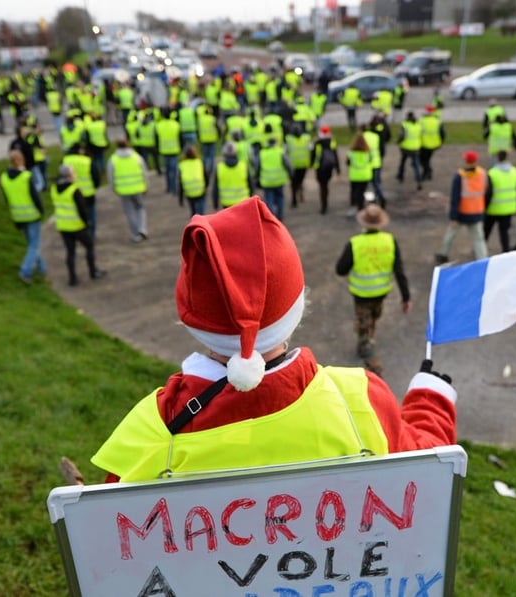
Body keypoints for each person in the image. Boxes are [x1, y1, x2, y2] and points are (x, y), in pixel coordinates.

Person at [90, 198, 457, 483]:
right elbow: (429, 468)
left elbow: (108, 535)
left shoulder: (151, 430)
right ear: (297, 306)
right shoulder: (360, 400)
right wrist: (431, 398)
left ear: (190, 317)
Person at [335, 200, 412, 376]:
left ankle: (374, 366)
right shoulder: (390, 241)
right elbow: (399, 271)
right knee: (371, 321)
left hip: (361, 294)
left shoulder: (355, 243)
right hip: (381, 293)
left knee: (364, 326)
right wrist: (406, 297)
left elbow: (340, 269)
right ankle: (364, 343)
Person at [52, 164, 106, 286]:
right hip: (77, 225)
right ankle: (93, 271)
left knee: (70, 252)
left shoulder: (54, 189)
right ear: (69, 176)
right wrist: (87, 223)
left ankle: (72, 278)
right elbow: (82, 209)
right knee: (89, 246)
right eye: (73, 173)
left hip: (63, 226)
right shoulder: (74, 190)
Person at [435, 151, 490, 264]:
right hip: (477, 212)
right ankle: (483, 260)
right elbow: (487, 192)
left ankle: (443, 255)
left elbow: (455, 199)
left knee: (450, 235)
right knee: (479, 239)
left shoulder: (459, 177)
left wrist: (453, 217)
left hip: (462, 213)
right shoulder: (483, 174)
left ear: (466, 161)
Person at [0, 150, 45, 283]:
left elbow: (6, 198)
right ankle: (25, 271)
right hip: (31, 215)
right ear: (21, 161)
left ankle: (42, 268)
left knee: (31, 244)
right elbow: (35, 196)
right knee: (34, 245)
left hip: (17, 216)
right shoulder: (26, 176)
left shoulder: (4, 177)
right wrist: (41, 210)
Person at [107, 138, 150, 243]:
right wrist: (146, 185)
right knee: (140, 208)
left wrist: (114, 188)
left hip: (123, 190)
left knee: (129, 212)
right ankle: (142, 229)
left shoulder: (113, 159)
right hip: (138, 188)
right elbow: (144, 172)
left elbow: (110, 176)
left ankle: (135, 233)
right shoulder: (136, 157)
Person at [484, 150, 516, 253]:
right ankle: (506, 251)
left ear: (497, 158)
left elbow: (488, 193)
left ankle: (480, 251)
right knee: (504, 233)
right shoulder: (515, 171)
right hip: (508, 208)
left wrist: (484, 207)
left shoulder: (492, 173)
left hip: (493, 208)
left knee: (486, 231)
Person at [62, 144, 101, 239]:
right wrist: (94, 186)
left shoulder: (65, 160)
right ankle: (91, 235)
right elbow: (96, 177)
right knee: (91, 216)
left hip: (72, 194)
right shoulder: (87, 160)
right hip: (88, 194)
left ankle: (81, 234)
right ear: (80, 150)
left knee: (77, 215)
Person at [257, 136, 292, 220]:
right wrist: (291, 173)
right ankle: (280, 217)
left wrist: (257, 177)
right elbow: (288, 164)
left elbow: (257, 167)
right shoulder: (280, 152)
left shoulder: (262, 153)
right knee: (280, 198)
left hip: (267, 181)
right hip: (279, 181)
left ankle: (271, 218)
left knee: (269, 200)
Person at [212, 141, 252, 210]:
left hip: (227, 204)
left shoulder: (219, 168)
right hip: (243, 202)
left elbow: (215, 189)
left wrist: (215, 204)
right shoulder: (243, 166)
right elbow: (251, 185)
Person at [313, 125, 340, 215]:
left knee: (322, 186)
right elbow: (335, 155)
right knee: (325, 185)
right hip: (329, 167)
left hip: (319, 168)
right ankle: (325, 200)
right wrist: (337, 168)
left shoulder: (317, 142)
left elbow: (313, 155)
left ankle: (323, 203)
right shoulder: (332, 142)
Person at [156, 107, 182, 197]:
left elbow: (156, 138)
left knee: (167, 170)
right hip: (174, 150)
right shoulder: (176, 124)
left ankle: (169, 187)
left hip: (164, 150)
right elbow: (180, 137)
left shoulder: (159, 125)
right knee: (174, 171)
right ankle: (174, 188)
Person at [285, 123, 312, 208]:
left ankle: (294, 199)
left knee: (293, 183)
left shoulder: (289, 140)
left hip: (293, 166)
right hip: (303, 165)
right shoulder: (306, 139)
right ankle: (300, 190)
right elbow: (311, 149)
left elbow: (285, 151)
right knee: (300, 180)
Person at [346, 131, 372, 215]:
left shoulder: (351, 153)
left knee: (354, 191)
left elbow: (348, 163)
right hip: (365, 175)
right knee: (362, 191)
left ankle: (354, 205)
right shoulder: (367, 153)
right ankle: (361, 206)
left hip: (354, 175)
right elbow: (370, 161)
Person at [178, 145, 208, 217]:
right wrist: (206, 186)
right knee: (201, 210)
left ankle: (194, 219)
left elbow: (180, 183)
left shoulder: (182, 165)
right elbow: (206, 177)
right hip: (200, 190)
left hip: (189, 191)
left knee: (193, 209)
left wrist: (181, 198)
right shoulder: (199, 162)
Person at [395, 111, 422, 190]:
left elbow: (401, 136)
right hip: (416, 147)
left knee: (403, 163)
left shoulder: (405, 125)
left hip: (406, 148)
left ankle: (400, 176)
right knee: (416, 165)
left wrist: (398, 142)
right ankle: (419, 180)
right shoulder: (418, 125)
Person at [418, 104, 444, 182]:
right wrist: (441, 142)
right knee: (428, 159)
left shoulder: (422, 121)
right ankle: (428, 173)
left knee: (422, 160)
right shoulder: (438, 121)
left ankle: (427, 172)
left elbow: (418, 132)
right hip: (434, 144)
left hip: (424, 144)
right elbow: (442, 134)